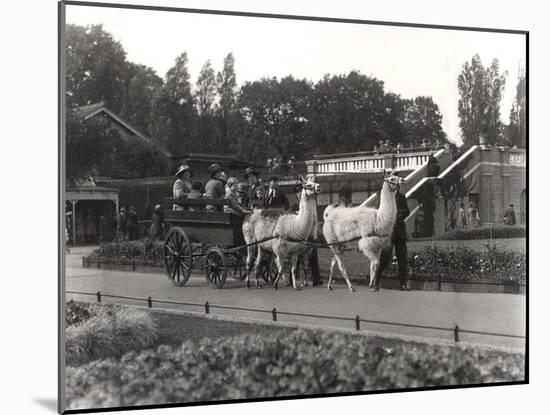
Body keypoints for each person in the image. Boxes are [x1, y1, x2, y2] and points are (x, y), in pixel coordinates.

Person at [371, 179, 410, 291]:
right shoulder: (385, 198)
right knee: (384, 259)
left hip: (400, 233)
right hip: (389, 233)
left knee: (402, 259)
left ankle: (403, 284)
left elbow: (407, 211)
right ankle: (376, 282)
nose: (395, 187)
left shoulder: (402, 197)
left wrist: (401, 214)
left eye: (396, 185)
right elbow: (380, 212)